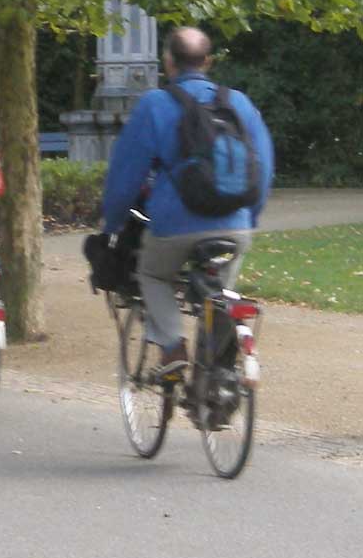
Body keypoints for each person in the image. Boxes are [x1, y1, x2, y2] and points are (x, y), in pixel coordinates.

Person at [101, 26, 274, 379]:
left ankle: (173, 348)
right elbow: (265, 169)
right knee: (221, 291)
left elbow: (125, 175)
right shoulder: (238, 103)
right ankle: (217, 374)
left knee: (152, 274)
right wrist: (249, 218)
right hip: (235, 224)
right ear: (208, 61)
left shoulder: (154, 105)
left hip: (174, 225)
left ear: (169, 61)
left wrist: (112, 224)